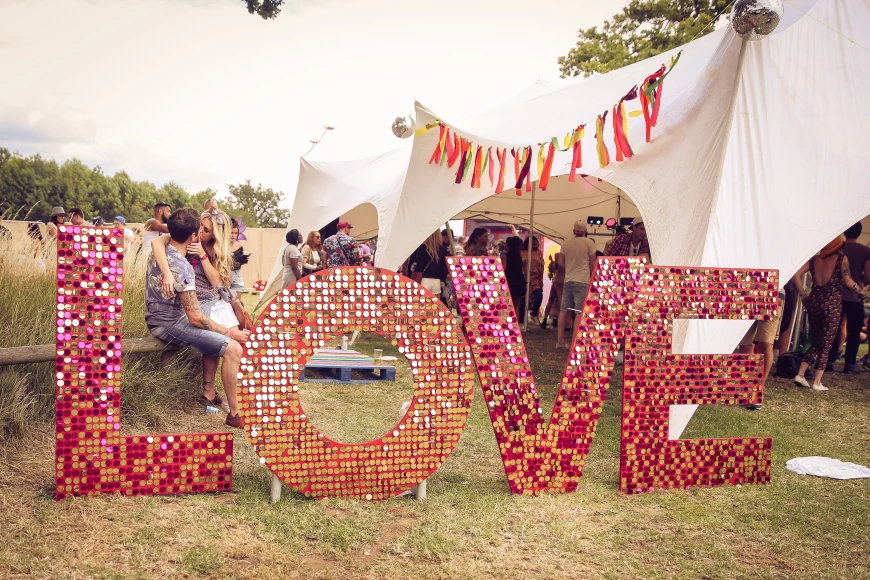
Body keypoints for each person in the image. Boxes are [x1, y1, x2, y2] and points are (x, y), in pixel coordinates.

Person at [145, 208, 249, 428]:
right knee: (234, 348)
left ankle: (213, 395)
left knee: (226, 344)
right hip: (170, 322)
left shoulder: (163, 249)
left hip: (161, 317)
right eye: (200, 227)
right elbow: (193, 317)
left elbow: (161, 239)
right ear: (192, 235)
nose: (202, 231)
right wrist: (228, 331)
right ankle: (235, 415)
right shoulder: (182, 266)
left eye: (207, 229)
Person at [792, 236, 869, 391]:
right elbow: (848, 281)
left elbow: (796, 275)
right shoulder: (841, 259)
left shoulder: (814, 260)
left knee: (818, 339)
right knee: (826, 342)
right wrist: (861, 292)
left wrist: (802, 294)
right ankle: (817, 381)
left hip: (814, 301)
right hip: (832, 303)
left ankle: (800, 374)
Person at [827, 222, 870, 373]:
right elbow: (869, 274)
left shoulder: (837, 249)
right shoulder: (865, 250)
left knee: (833, 329)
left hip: (835, 295)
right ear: (859, 233)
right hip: (855, 296)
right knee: (854, 331)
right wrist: (861, 282)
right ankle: (850, 365)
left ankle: (829, 361)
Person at [737, 287, 786, 410]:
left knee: (766, 343)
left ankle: (758, 389)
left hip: (774, 293)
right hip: (749, 292)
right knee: (745, 345)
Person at [556, 221, 597, 349]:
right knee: (579, 312)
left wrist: (570, 269)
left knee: (564, 311)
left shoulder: (566, 243)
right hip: (583, 280)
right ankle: (575, 343)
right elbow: (592, 263)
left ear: (574, 231)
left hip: (568, 279)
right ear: (585, 231)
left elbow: (560, 263)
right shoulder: (589, 243)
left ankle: (560, 341)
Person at [411, 230, 449, 303]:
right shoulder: (442, 249)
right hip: (437, 281)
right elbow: (443, 268)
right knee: (435, 307)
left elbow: (419, 265)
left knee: (422, 307)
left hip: (424, 280)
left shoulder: (423, 247)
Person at [501, 236, 527, 323]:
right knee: (516, 304)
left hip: (509, 282)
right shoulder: (520, 256)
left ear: (508, 245)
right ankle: (515, 323)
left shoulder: (505, 256)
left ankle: (507, 323)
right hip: (519, 282)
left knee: (507, 304)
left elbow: (503, 268)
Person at [521, 236, 545, 324]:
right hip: (523, 279)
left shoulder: (539, 252)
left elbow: (542, 267)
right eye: (533, 244)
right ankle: (521, 320)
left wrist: (541, 280)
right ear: (528, 243)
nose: (535, 245)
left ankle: (534, 314)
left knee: (539, 295)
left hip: (535, 279)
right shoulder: (522, 252)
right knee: (523, 300)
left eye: (536, 244)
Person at [542, 250, 564, 329]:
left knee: (551, 300)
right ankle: (562, 322)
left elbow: (555, 267)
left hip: (556, 280)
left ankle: (544, 319)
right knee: (562, 302)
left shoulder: (557, 255)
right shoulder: (567, 256)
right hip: (562, 281)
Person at [229, 218, 249, 297]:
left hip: (236, 276)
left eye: (236, 233)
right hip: (224, 277)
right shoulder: (220, 246)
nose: (233, 235)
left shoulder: (239, 245)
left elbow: (239, 262)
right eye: (231, 233)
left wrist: (244, 260)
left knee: (237, 304)